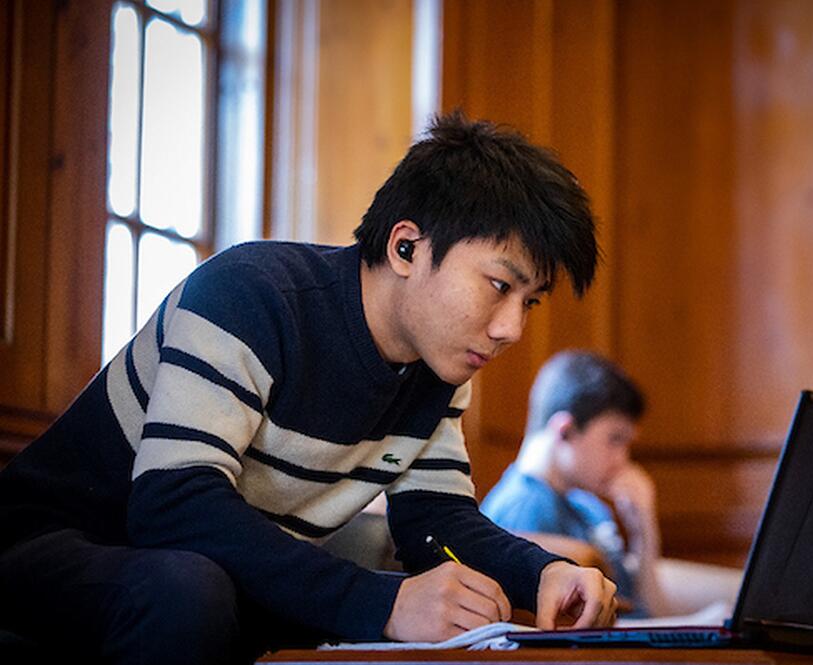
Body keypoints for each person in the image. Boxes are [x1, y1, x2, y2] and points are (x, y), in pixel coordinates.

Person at [0, 113, 617, 664]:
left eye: (530, 302)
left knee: (291, 588)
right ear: (406, 247)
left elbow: (435, 519)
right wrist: (385, 605)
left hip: (203, 566)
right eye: (498, 286)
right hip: (51, 546)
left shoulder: (442, 365)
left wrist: (543, 575)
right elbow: (174, 503)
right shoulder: (250, 296)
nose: (511, 329)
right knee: (190, 593)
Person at [481, 350, 671, 618]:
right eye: (615, 439)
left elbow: (643, 612)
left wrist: (644, 531)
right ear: (565, 431)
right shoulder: (524, 508)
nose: (623, 459)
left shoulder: (587, 506)